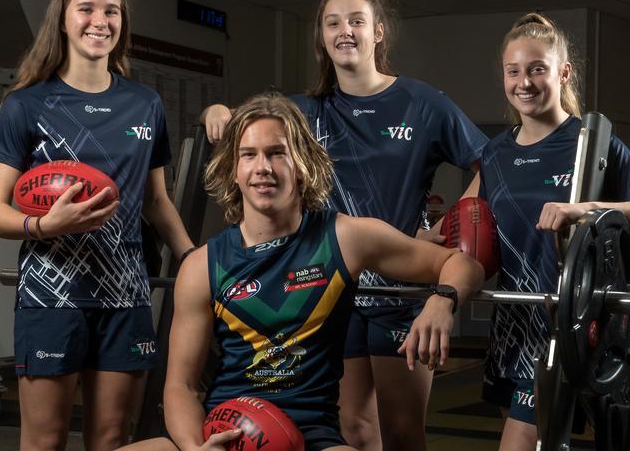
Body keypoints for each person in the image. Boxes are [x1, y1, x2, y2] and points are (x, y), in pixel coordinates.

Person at [201, 0, 488, 450]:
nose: (345, 31)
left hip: (401, 285)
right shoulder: (304, 111)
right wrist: (215, 108)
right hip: (332, 286)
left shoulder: (422, 103)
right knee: (354, 428)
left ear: (378, 32)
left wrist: (446, 224)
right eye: (333, 23)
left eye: (357, 20)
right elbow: (246, 125)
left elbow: (489, 165)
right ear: (322, 37)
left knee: (402, 433)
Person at [119, 92, 484, 451]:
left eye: (277, 153)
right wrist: (195, 447)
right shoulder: (202, 266)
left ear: (303, 162)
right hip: (223, 433)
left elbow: (461, 264)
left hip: (311, 435)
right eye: (249, 155)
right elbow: (181, 387)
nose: (263, 167)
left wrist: (442, 302)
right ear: (233, 169)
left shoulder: (344, 237)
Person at [0, 0, 194, 450]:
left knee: (114, 439)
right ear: (62, 18)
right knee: (45, 439)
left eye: (111, 11)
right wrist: (42, 224)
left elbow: (156, 199)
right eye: (86, 9)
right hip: (51, 298)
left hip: (126, 295)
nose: (99, 21)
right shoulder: (26, 105)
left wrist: (190, 256)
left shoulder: (145, 104)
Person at [479, 12, 630, 451]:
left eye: (537, 69)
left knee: (522, 442)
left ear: (563, 72)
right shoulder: (494, 154)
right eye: (513, 71)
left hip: (571, 319)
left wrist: (584, 210)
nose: (523, 82)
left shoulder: (595, 146)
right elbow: (475, 229)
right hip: (513, 322)